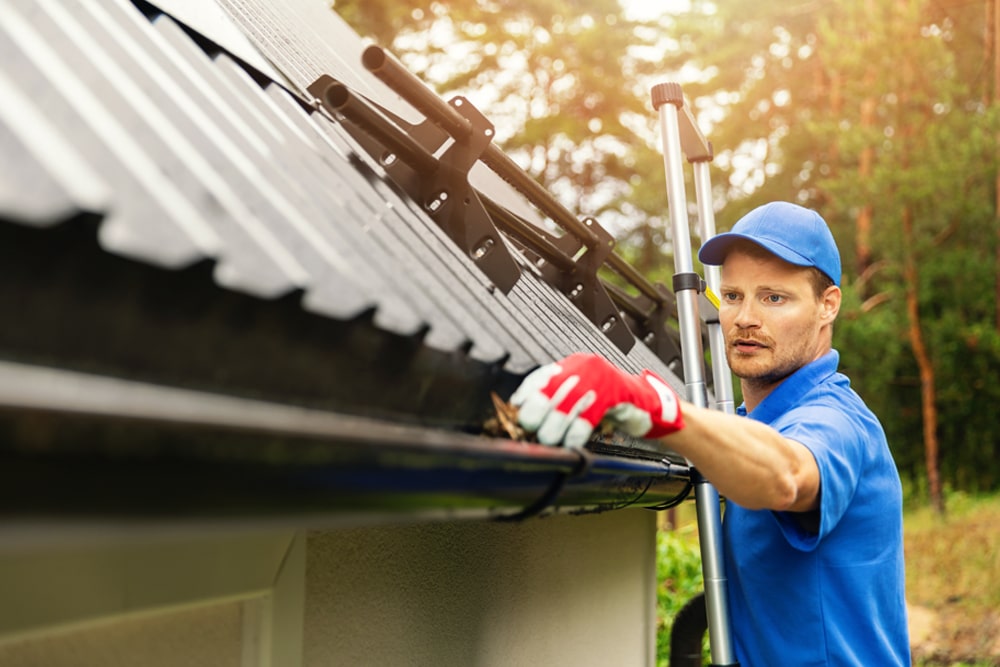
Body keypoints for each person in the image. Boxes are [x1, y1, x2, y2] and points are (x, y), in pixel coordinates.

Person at [510, 201, 910, 666]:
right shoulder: (751, 423)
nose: (744, 318)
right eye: (734, 296)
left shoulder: (836, 420)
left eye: (774, 297)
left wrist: (658, 410)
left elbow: (788, 474)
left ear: (828, 305)